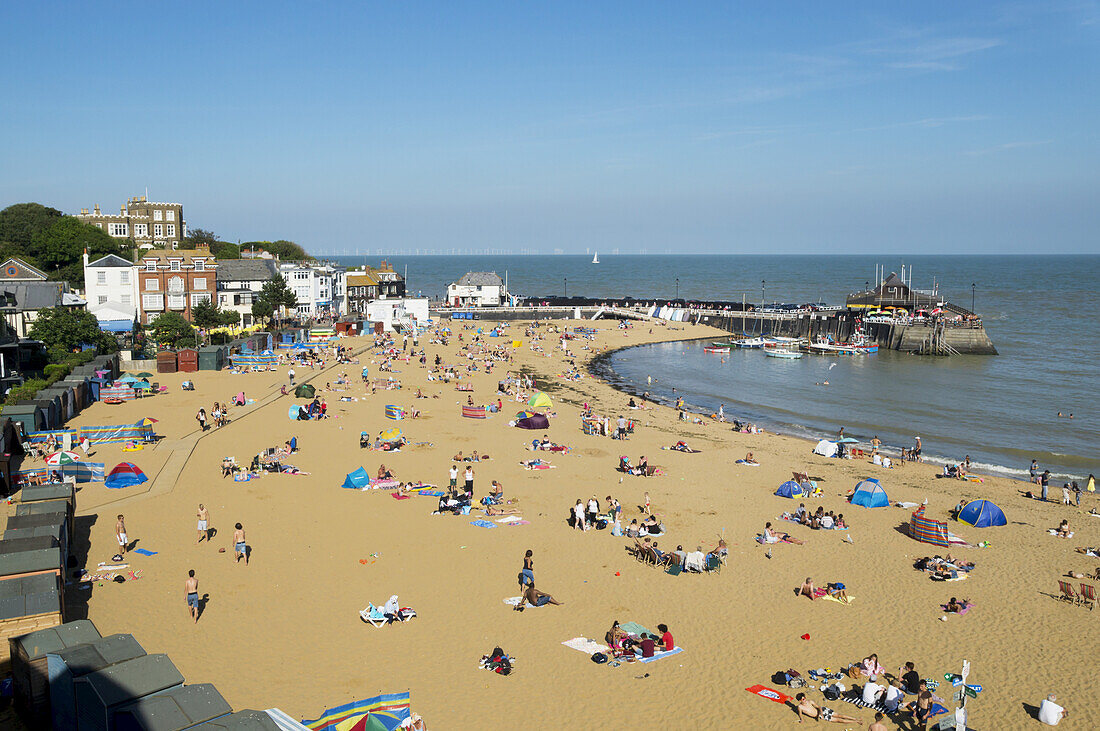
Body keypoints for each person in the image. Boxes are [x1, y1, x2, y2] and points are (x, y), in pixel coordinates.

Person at [794, 693, 862, 725]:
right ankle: (856, 721)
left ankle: (855, 719)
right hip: (820, 716)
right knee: (839, 720)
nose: (805, 699)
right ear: (800, 700)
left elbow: (819, 707)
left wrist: (821, 712)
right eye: (803, 699)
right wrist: (802, 720)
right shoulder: (800, 707)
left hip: (822, 711)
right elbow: (800, 714)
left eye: (804, 698)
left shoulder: (810, 702)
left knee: (839, 715)